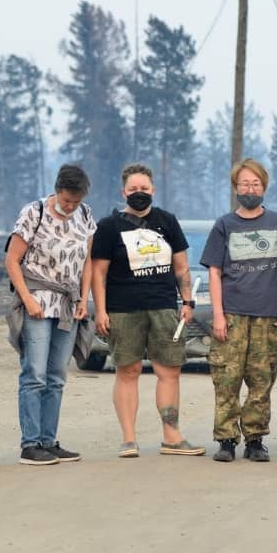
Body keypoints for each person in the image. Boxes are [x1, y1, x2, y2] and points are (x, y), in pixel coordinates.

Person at [91, 163, 206, 458]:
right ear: (123, 192)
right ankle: (129, 439)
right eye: (133, 189)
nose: (139, 193)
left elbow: (181, 268)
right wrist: (101, 311)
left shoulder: (167, 222)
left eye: (144, 189)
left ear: (153, 190)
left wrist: (187, 302)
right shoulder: (108, 227)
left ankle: (172, 436)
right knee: (127, 371)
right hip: (122, 310)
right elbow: (98, 273)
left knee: (169, 371)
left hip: (163, 308)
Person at [201, 159, 277, 463]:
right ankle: (226, 439)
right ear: (235, 188)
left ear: (264, 187)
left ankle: (255, 439)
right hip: (232, 315)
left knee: (261, 378)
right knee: (227, 379)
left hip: (268, 315)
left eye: (255, 184)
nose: (250, 189)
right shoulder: (224, 225)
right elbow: (214, 272)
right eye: (244, 184)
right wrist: (217, 314)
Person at [5, 164, 96, 466]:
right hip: (38, 301)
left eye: (76, 201)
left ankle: (49, 439)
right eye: (67, 200)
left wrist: (84, 297)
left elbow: (89, 262)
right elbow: (12, 260)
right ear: (57, 190)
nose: (70, 206)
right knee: (35, 373)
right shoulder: (34, 213)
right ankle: (30, 443)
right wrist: (28, 299)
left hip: (69, 304)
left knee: (57, 375)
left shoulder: (85, 215)